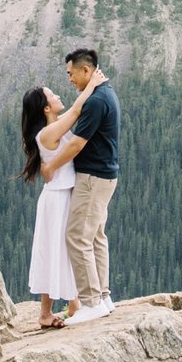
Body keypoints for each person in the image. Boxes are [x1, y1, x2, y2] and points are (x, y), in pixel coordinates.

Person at [18, 67, 105, 328]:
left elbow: (74, 114)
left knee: (60, 249)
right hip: (58, 198)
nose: (57, 95)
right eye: (52, 95)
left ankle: (72, 304)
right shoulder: (47, 133)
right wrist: (92, 86)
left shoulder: (52, 127)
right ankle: (47, 312)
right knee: (57, 249)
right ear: (46, 108)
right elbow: (77, 112)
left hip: (61, 194)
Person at [53, 46, 121, 325]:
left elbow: (78, 143)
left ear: (86, 70)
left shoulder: (95, 101)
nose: (69, 79)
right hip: (105, 175)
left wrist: (51, 165)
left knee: (78, 237)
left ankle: (91, 301)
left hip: (92, 178)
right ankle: (103, 297)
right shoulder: (104, 93)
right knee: (95, 237)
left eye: (71, 73)